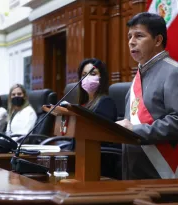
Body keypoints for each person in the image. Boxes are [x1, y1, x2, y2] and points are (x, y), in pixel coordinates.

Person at [116, 12, 178, 180]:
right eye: (129, 36)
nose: (131, 42)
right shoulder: (139, 74)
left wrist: (135, 131)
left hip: (160, 175)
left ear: (158, 40)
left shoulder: (173, 72)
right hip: (133, 171)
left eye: (139, 36)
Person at [74, 58, 120, 178]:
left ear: (102, 78)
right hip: (81, 155)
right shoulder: (83, 104)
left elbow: (100, 137)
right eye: (84, 75)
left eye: (92, 74)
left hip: (98, 161)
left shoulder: (106, 102)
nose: (87, 78)